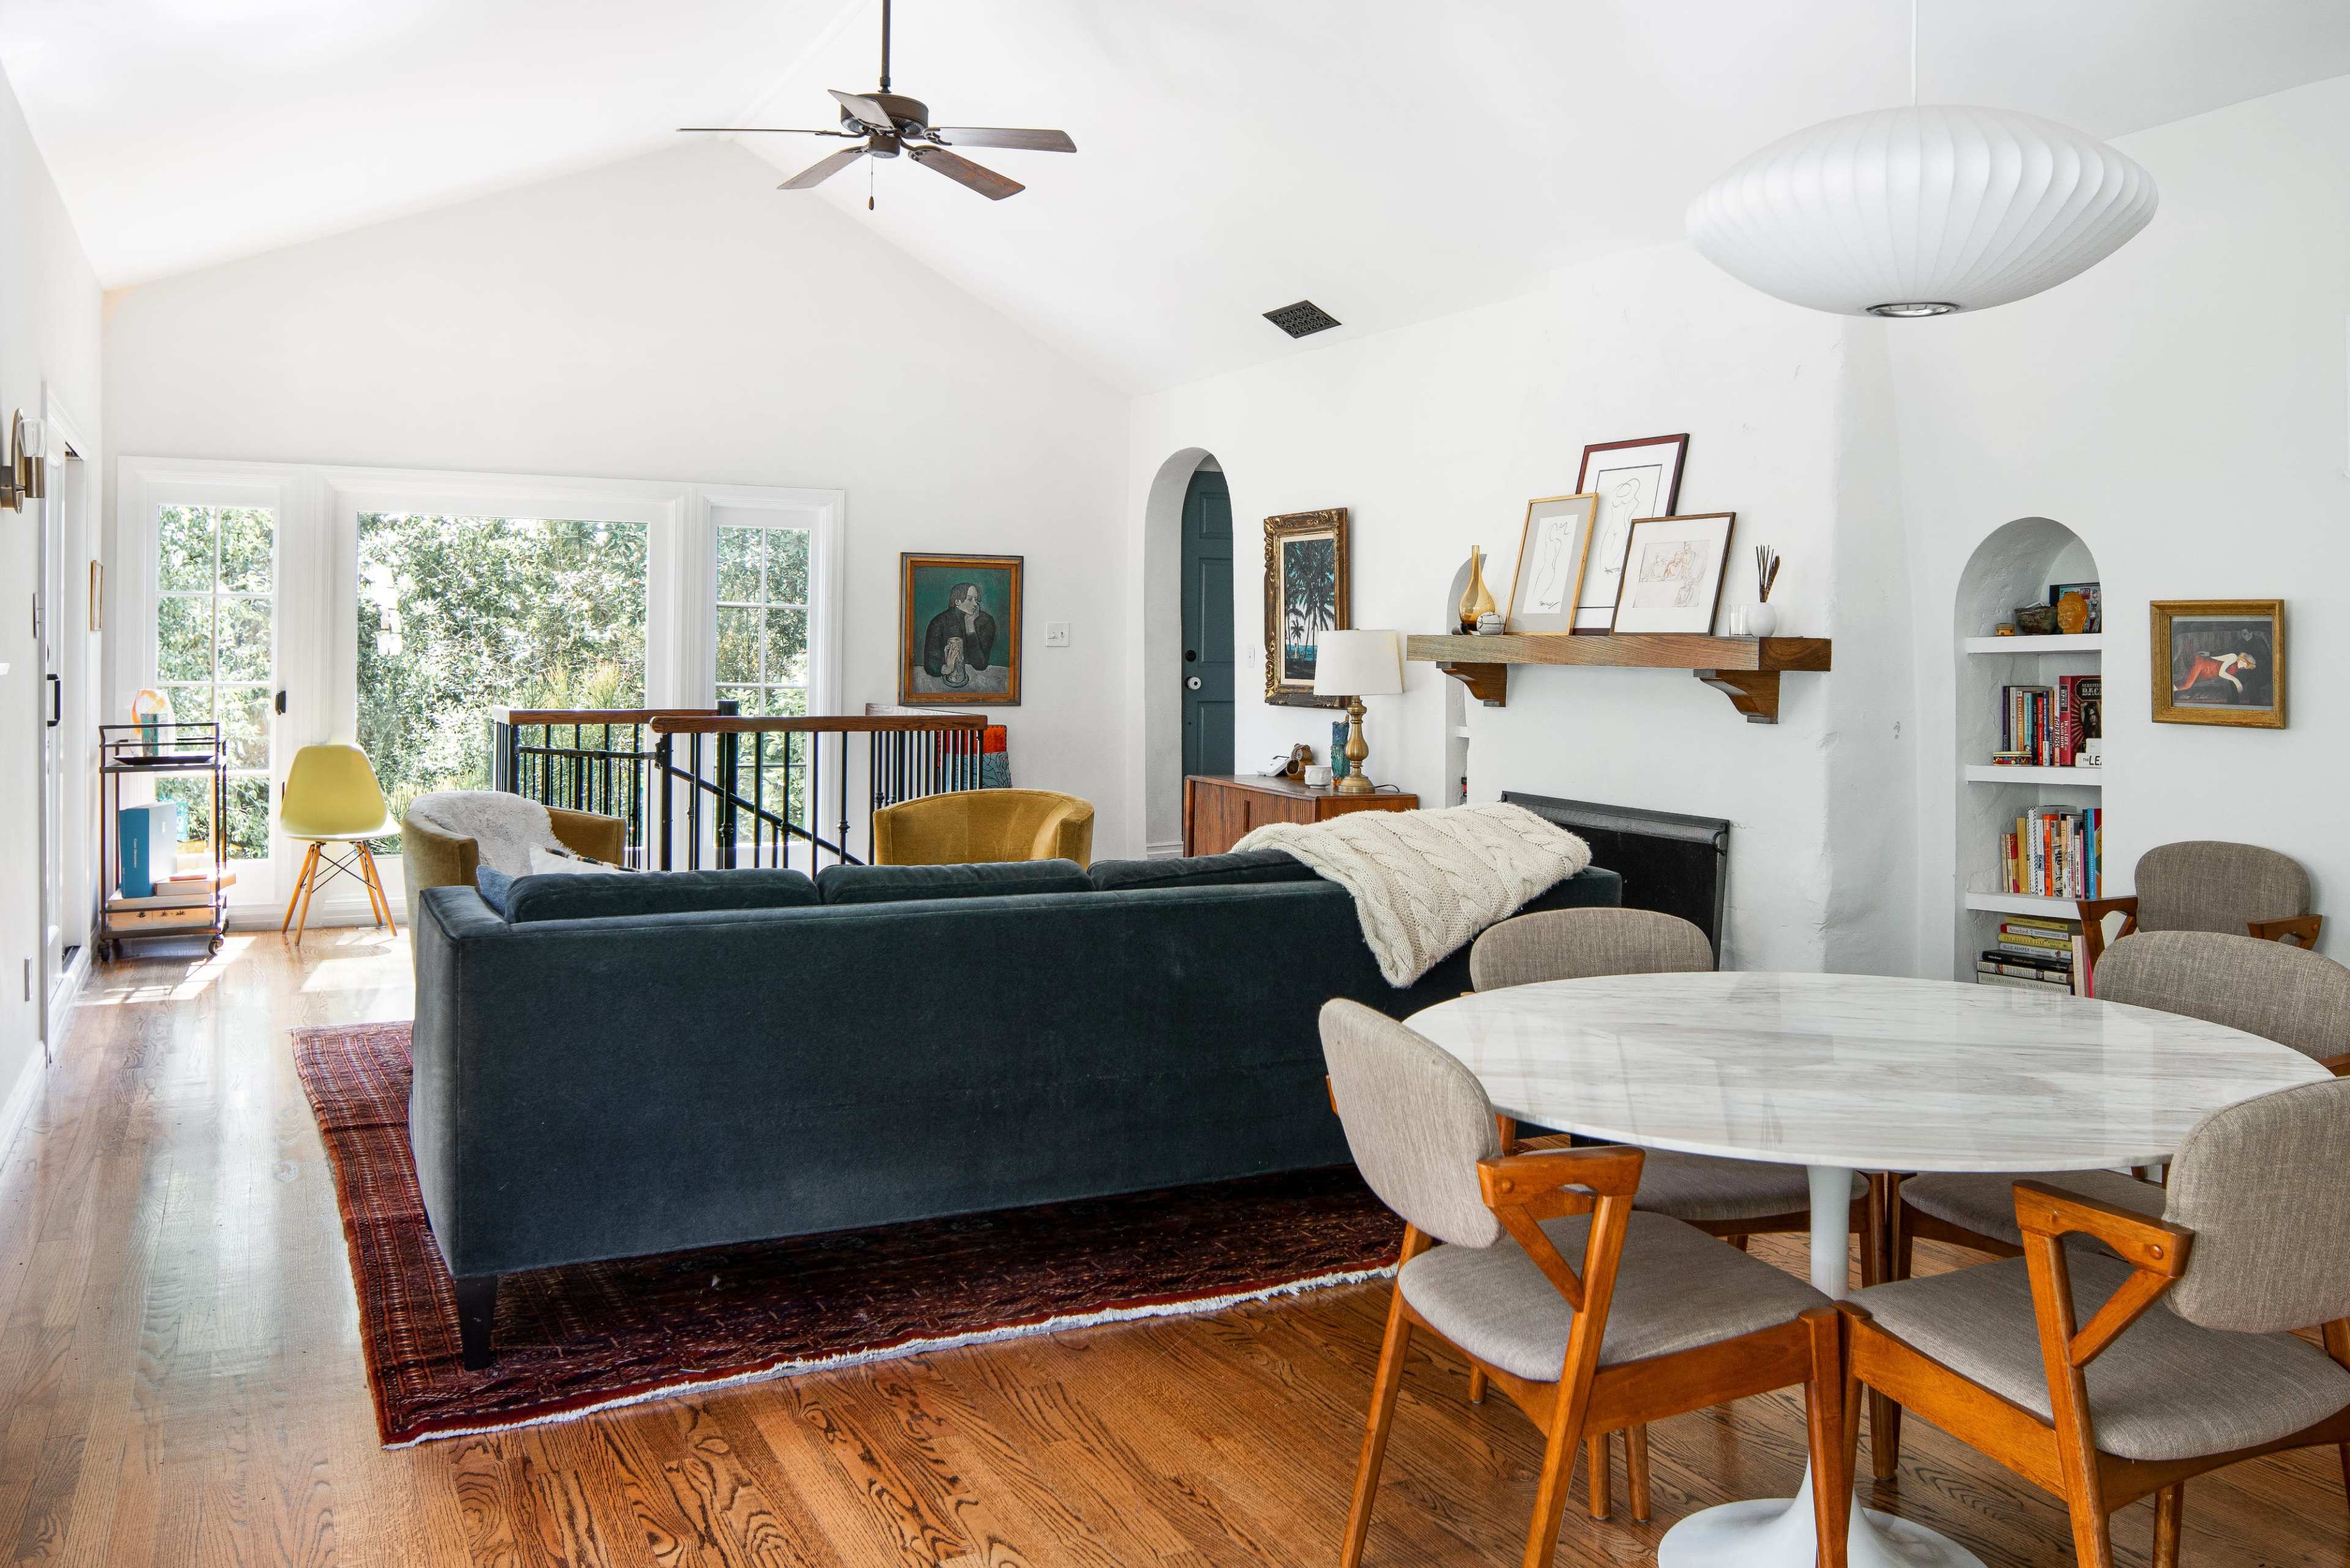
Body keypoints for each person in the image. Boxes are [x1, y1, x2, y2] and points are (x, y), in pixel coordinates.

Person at [923, 583, 997, 687]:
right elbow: (930, 663)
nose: (976, 604)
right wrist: (946, 669)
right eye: (970, 599)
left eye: (976, 599)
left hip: (978, 680)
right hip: (947, 680)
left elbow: (980, 665)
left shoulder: (986, 621)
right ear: (957, 602)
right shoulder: (939, 622)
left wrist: (970, 626)